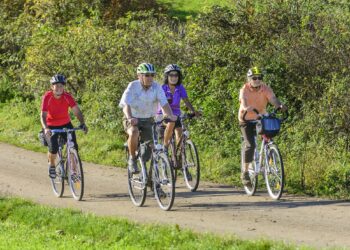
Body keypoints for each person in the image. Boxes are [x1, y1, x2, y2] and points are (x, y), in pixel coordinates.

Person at [119, 63, 176, 174]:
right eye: (147, 75)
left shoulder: (156, 87)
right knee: (134, 131)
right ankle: (132, 159)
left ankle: (151, 181)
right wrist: (130, 117)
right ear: (139, 76)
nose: (150, 78)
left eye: (152, 75)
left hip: (149, 119)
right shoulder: (133, 86)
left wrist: (169, 115)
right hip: (132, 118)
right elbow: (126, 104)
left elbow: (164, 104)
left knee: (150, 151)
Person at [238, 66, 287, 186]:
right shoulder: (244, 89)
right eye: (254, 78)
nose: (257, 80)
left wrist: (279, 106)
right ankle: (244, 173)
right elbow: (243, 100)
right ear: (249, 79)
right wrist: (245, 107)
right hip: (246, 119)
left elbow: (273, 98)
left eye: (259, 77)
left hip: (261, 117)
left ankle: (270, 163)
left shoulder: (265, 88)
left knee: (268, 138)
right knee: (251, 145)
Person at [40, 74, 88, 179]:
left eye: (61, 86)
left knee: (73, 146)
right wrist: (46, 128)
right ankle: (52, 165)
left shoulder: (67, 97)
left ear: (64, 87)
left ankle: (74, 171)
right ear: (52, 87)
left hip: (66, 124)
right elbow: (43, 115)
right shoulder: (47, 97)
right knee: (54, 148)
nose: (59, 88)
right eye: (56, 86)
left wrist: (82, 123)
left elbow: (76, 111)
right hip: (51, 125)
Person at [157, 64, 200, 154]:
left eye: (176, 75)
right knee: (171, 122)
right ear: (167, 76)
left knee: (179, 133)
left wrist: (193, 111)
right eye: (171, 75)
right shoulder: (162, 88)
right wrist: (166, 114)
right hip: (162, 114)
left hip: (176, 114)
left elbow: (186, 101)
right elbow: (161, 103)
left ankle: (181, 157)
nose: (174, 77)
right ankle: (165, 147)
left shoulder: (180, 87)